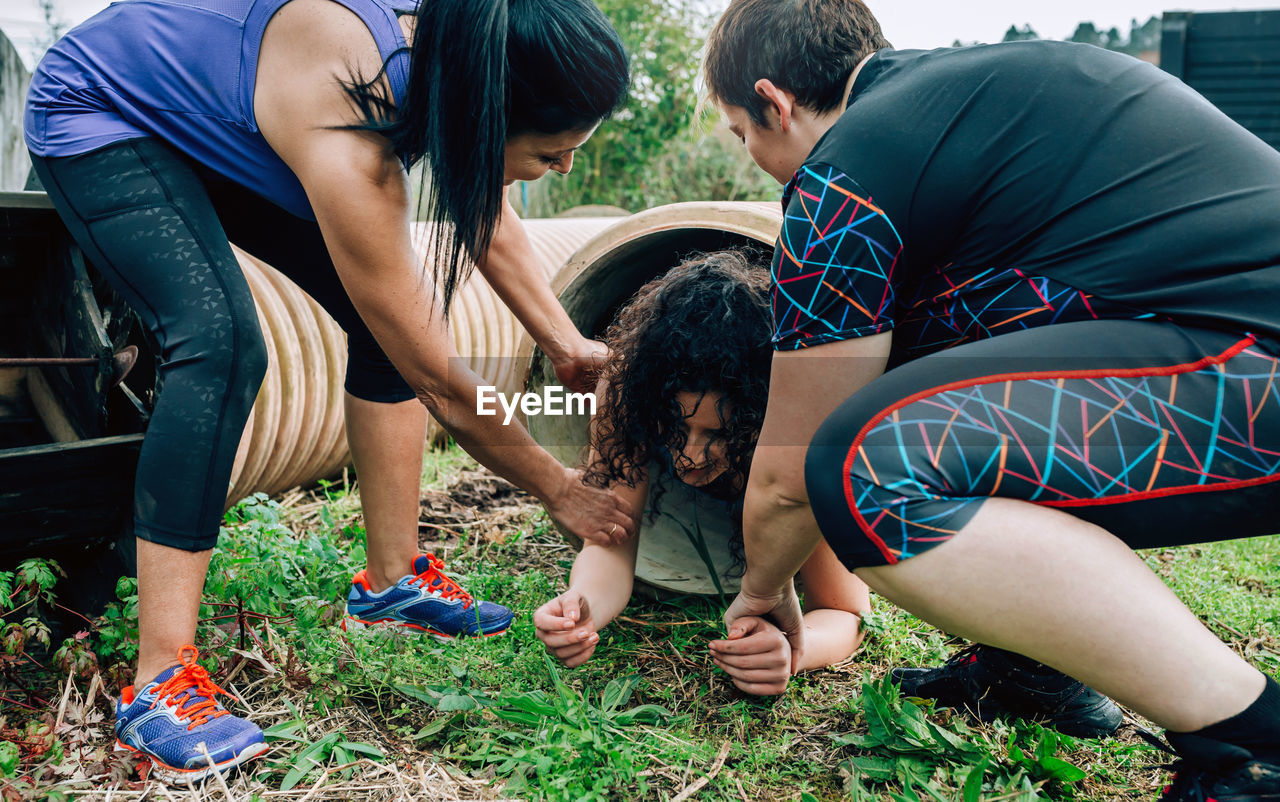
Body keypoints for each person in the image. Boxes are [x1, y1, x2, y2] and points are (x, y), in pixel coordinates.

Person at [24, 0, 638, 783]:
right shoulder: (354, 108)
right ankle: (157, 685)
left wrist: (567, 344)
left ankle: (391, 580)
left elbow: (486, 213)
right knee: (223, 343)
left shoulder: (459, 62)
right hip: (104, 110)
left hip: (231, 124)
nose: (566, 170)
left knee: (394, 315)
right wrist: (558, 487)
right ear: (492, 116)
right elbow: (437, 379)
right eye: (555, 152)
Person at [702, 1, 1280, 798]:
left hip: (1254, 368)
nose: (755, 162)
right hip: (1232, 349)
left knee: (861, 466)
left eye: (743, 134)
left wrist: (762, 594)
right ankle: (1029, 674)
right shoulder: (968, 105)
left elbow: (789, 469)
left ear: (775, 101)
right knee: (943, 386)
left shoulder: (845, 176)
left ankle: (1254, 745)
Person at [533, 250, 868, 695]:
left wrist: (794, 650)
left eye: (720, 433)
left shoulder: (800, 428)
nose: (689, 456)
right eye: (675, 426)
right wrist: (582, 605)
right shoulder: (625, 389)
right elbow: (610, 544)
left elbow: (846, 610)